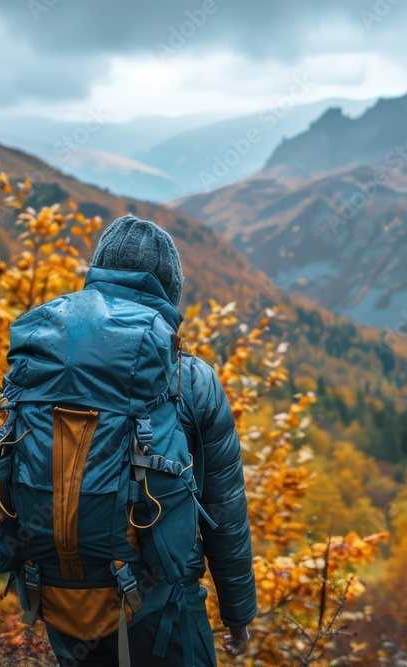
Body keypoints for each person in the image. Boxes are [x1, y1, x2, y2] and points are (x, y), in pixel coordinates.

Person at [44, 215, 256, 666]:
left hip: (65, 594)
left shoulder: (46, 360)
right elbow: (225, 510)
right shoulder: (190, 379)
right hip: (164, 609)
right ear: (168, 293)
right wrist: (238, 614)